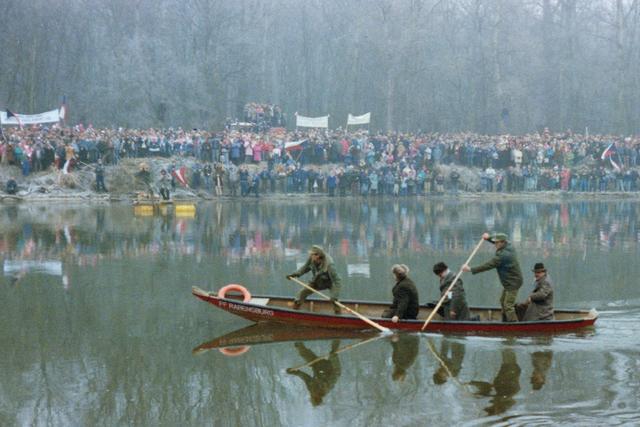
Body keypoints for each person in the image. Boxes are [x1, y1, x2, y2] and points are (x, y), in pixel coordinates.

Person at [463, 232, 523, 322]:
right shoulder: (508, 245)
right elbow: (497, 241)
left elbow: (487, 265)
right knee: (502, 301)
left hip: (513, 283)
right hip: (509, 282)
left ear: (503, 242)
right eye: (494, 242)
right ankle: (505, 321)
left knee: (508, 305)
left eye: (497, 243)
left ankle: (513, 324)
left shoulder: (503, 256)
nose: (495, 244)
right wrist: (488, 238)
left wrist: (471, 269)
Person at [286, 245, 342, 314]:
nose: (310, 255)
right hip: (317, 281)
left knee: (334, 300)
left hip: (330, 282)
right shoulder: (312, 259)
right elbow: (305, 268)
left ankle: (338, 313)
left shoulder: (329, 265)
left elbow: (337, 281)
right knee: (303, 292)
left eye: (312, 254)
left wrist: (334, 295)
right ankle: (295, 309)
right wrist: (294, 274)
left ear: (317, 256)